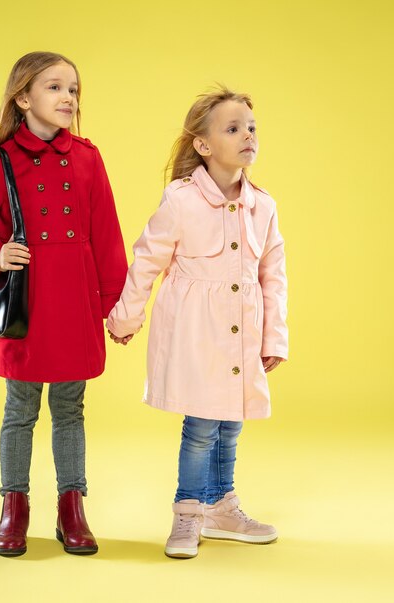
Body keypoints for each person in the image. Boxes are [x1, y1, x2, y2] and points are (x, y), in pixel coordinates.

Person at [0, 51, 127, 557]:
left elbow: (106, 235)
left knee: (71, 407)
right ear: (23, 97)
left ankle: (72, 507)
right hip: (25, 307)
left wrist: (115, 305)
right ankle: (14, 507)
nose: (67, 97)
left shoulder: (89, 157)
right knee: (20, 408)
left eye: (73, 89)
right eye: (54, 88)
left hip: (76, 304)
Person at [106, 87, 288, 558]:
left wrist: (274, 337)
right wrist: (125, 317)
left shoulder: (262, 205)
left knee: (232, 421)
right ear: (203, 145)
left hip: (242, 330)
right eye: (233, 128)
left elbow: (273, 275)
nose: (247, 135)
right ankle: (188, 512)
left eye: (251, 127)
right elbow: (147, 260)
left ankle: (221, 505)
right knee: (202, 422)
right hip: (193, 329)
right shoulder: (181, 199)